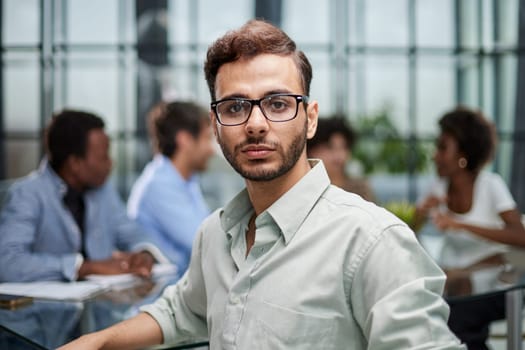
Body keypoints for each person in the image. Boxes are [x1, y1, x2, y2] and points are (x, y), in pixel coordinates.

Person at [59, 19, 464, 349]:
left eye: (278, 103)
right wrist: (95, 342)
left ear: (310, 118)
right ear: (216, 127)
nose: (255, 124)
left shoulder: (371, 240)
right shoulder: (215, 234)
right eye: (235, 106)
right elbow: (180, 311)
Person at [0, 110, 166, 282]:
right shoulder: (27, 194)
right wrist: (85, 268)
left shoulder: (103, 190)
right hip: (45, 308)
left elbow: (132, 233)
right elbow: (7, 264)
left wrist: (144, 253)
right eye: (103, 157)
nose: (111, 163)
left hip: (101, 303)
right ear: (75, 164)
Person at [414, 106, 525, 349]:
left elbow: (520, 236)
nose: (435, 155)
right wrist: (420, 213)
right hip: (455, 285)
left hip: (493, 287)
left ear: (463, 154)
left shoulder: (491, 185)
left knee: (455, 322)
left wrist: (459, 224)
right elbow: (410, 230)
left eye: (443, 148)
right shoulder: (439, 187)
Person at [127, 101, 214, 274]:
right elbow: (205, 244)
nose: (211, 150)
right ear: (185, 140)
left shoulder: (186, 180)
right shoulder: (159, 185)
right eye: (207, 138)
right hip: (162, 291)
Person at [307, 116, 374, 201]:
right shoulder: (305, 188)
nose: (338, 155)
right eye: (330, 147)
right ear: (312, 150)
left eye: (344, 147)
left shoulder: (360, 188)